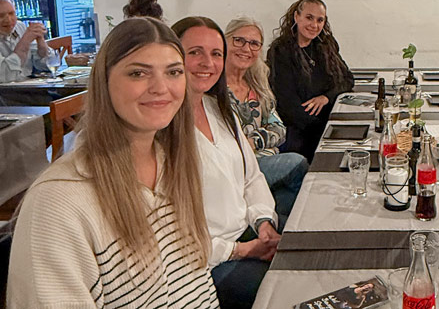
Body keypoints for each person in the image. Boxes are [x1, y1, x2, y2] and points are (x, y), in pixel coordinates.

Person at [6, 17, 219, 307]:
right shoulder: (58, 201)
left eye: (173, 72)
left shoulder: (174, 166)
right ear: (104, 81)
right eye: (138, 74)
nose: (160, 87)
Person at [173, 16, 280, 309]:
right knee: (283, 291)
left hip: (245, 236)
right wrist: (242, 250)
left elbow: (252, 177)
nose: (207, 62)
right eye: (194, 52)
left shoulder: (218, 109)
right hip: (207, 264)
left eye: (215, 53)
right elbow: (171, 238)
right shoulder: (162, 129)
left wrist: (264, 222)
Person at [224, 16, 308, 232]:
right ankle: (291, 230)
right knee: (298, 164)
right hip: (238, 169)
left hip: (264, 161)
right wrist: (253, 143)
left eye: (254, 44)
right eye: (239, 41)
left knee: (286, 196)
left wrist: (252, 141)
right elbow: (228, 142)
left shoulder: (256, 85)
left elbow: (279, 129)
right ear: (225, 42)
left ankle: (269, 228)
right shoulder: (215, 89)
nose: (246, 48)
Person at [267, 0, 354, 160]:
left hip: (328, 123)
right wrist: (324, 129)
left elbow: (348, 79)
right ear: (296, 16)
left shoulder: (326, 44)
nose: (314, 25)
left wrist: (326, 98)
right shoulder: (281, 51)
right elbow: (289, 107)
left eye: (320, 20)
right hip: (301, 132)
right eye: (309, 18)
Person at [0, 0, 52, 83]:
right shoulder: (25, 34)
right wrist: (25, 41)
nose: (8, 20)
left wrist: (41, 42)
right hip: (5, 94)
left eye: (11, 13)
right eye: (1, 16)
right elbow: (6, 75)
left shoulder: (20, 27)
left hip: (30, 88)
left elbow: (45, 65)